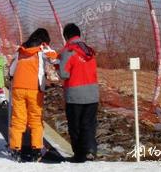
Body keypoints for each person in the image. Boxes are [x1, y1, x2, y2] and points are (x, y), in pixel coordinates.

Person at [8, 28, 57, 162]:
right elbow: (54, 59)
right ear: (44, 40)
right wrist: (48, 47)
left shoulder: (21, 49)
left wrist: (11, 77)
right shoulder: (42, 50)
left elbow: (12, 69)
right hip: (34, 88)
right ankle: (36, 149)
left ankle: (15, 149)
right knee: (35, 119)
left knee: (18, 118)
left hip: (18, 87)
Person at [58, 23, 99, 163]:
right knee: (89, 124)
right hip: (93, 94)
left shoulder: (68, 50)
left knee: (75, 126)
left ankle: (79, 155)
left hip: (75, 95)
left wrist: (56, 65)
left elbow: (64, 74)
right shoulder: (89, 50)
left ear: (66, 36)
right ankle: (90, 150)